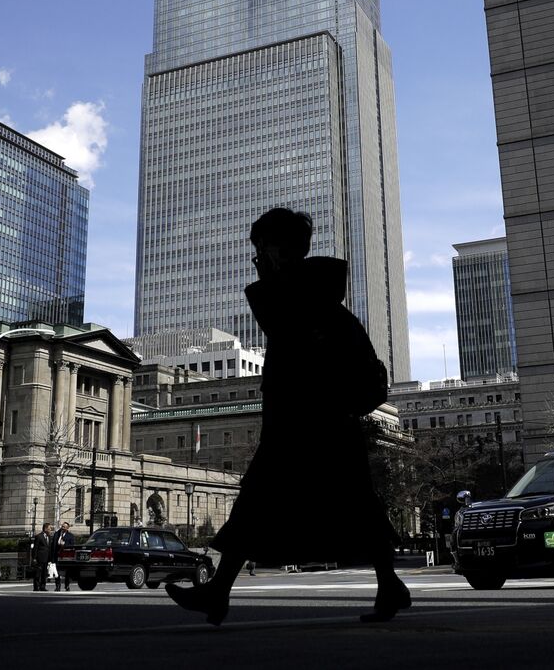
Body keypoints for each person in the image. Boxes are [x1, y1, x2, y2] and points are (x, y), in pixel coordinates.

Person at [166, 208, 411, 625]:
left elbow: (289, 332)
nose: (258, 259)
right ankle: (388, 585)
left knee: (271, 503)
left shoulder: (308, 304)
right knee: (330, 504)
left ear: (280, 250)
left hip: (313, 426)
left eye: (262, 249)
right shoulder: (314, 302)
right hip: (306, 425)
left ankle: (220, 593)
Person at [51, 521, 75, 591]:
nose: (63, 528)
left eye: (64, 527)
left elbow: (72, 546)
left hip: (66, 556)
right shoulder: (56, 534)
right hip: (57, 555)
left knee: (67, 572)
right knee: (57, 571)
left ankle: (67, 585)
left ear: (67, 528)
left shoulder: (70, 536)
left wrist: (64, 545)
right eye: (62, 526)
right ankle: (57, 585)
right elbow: (53, 545)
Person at [31, 523, 53, 591]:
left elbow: (49, 547)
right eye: (49, 528)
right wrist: (34, 558)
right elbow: (35, 548)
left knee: (44, 573)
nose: (50, 530)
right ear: (45, 529)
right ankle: (36, 587)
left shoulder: (49, 537)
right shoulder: (39, 536)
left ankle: (43, 586)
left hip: (46, 558)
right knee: (38, 573)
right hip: (39, 558)